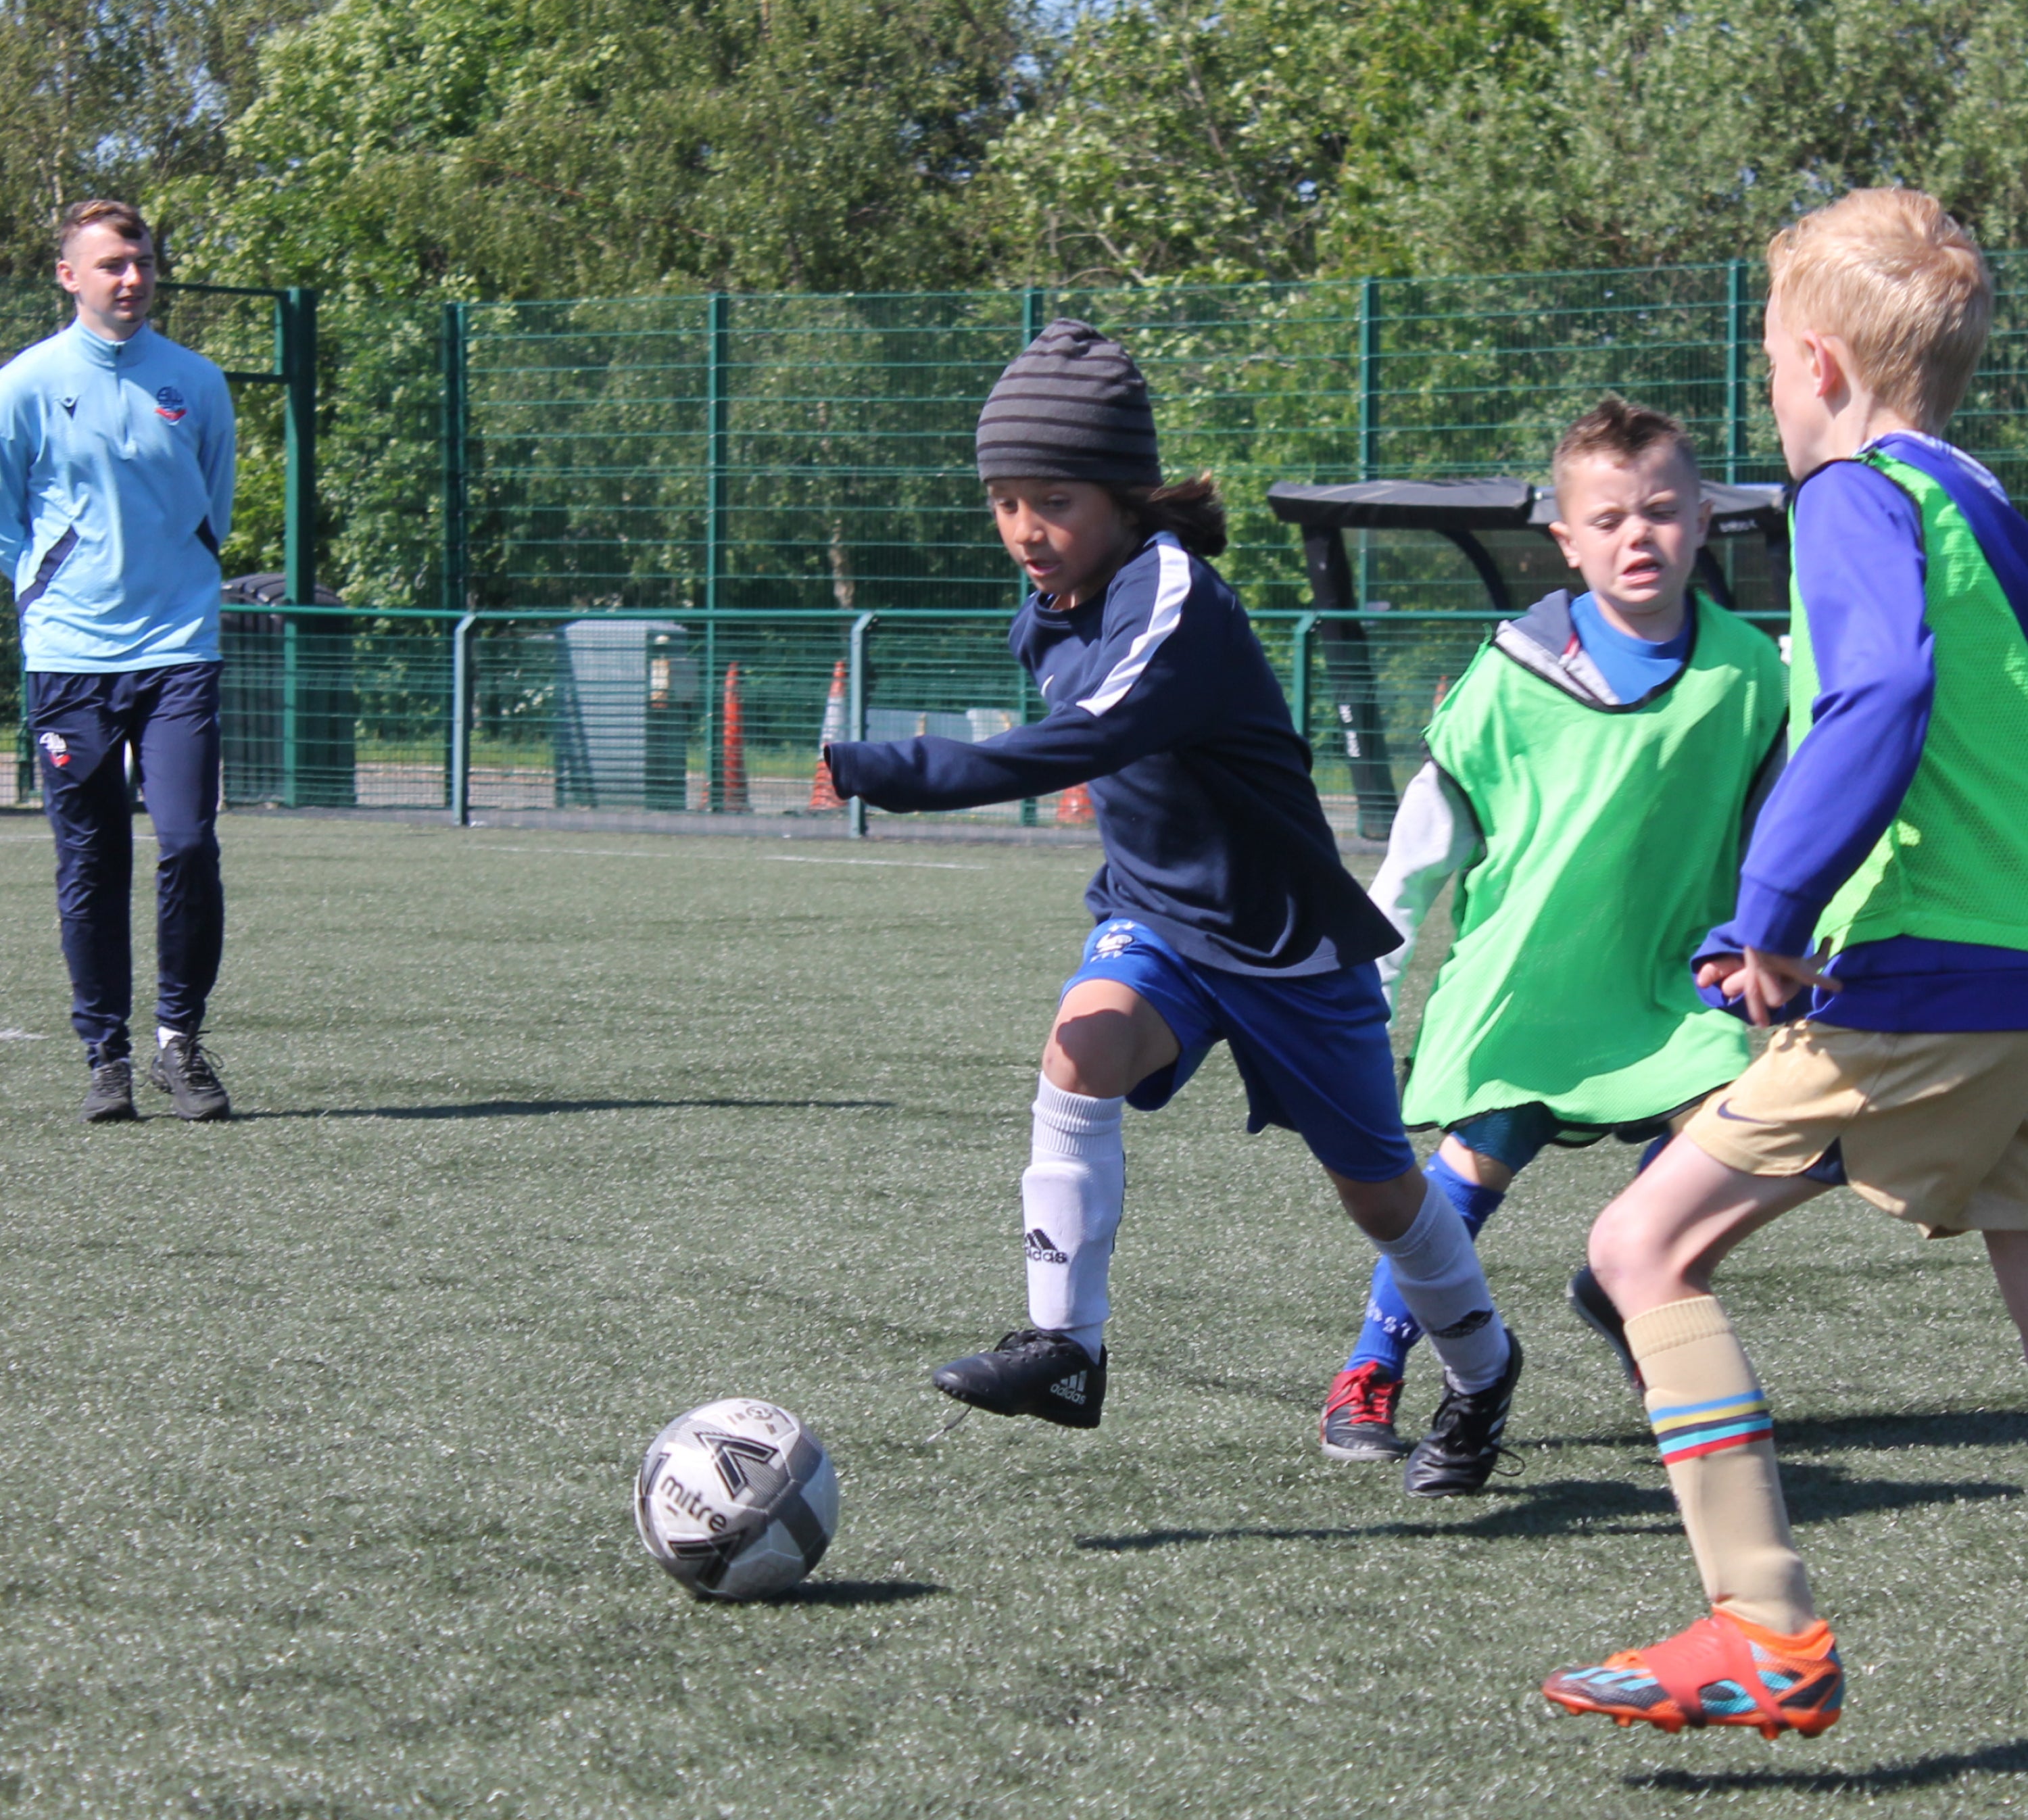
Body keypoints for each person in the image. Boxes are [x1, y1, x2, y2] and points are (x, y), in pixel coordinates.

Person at [823, 318, 1522, 1497]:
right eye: (1004, 501)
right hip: (1159, 919)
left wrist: (881, 768)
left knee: (1382, 1196)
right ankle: (1066, 1349)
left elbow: (1085, 740)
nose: (1024, 530)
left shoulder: (1174, 597)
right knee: (1082, 1043)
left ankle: (1484, 1369)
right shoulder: (1051, 606)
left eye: (1053, 500)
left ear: (1124, 496)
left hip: (1287, 944)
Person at [1544, 189, 2028, 1740]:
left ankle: (1763, 1626)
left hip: (1930, 986)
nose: (1770, 388)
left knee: (1642, 1249)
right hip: (2014, 977)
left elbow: (1878, 695)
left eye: (1767, 360)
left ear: (1817, 366)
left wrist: (1770, 913)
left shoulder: (1853, 496)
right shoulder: (1983, 501)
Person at [1318, 400, 1787, 1461]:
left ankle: (1627, 1280)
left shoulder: (1753, 675)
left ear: (1702, 521)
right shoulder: (1511, 676)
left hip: (1669, 989)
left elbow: (1784, 833)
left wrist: (1777, 940)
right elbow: (1420, 851)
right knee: (1463, 1182)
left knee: (1742, 1132)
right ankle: (1371, 1369)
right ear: (1566, 541)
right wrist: (1367, 986)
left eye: (1661, 512)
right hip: (1525, 990)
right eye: (1609, 519)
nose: (1638, 536)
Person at [0, 200, 235, 1122]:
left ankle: (180, 1041)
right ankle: (107, 1055)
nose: (132, 278)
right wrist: (42, 595)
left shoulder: (196, 381)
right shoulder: (25, 384)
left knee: (188, 842)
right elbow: (6, 519)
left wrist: (182, 580)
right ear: (69, 276)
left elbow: (213, 504)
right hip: (70, 656)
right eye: (111, 265)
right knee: (91, 860)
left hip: (178, 648)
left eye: (141, 262)